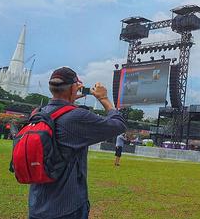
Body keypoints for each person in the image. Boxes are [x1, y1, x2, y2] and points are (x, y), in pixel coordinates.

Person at [28, 67, 127, 219]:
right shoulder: (77, 116)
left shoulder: (38, 113)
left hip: (37, 203)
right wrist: (104, 99)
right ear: (74, 87)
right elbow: (118, 124)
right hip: (67, 207)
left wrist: (69, 98)